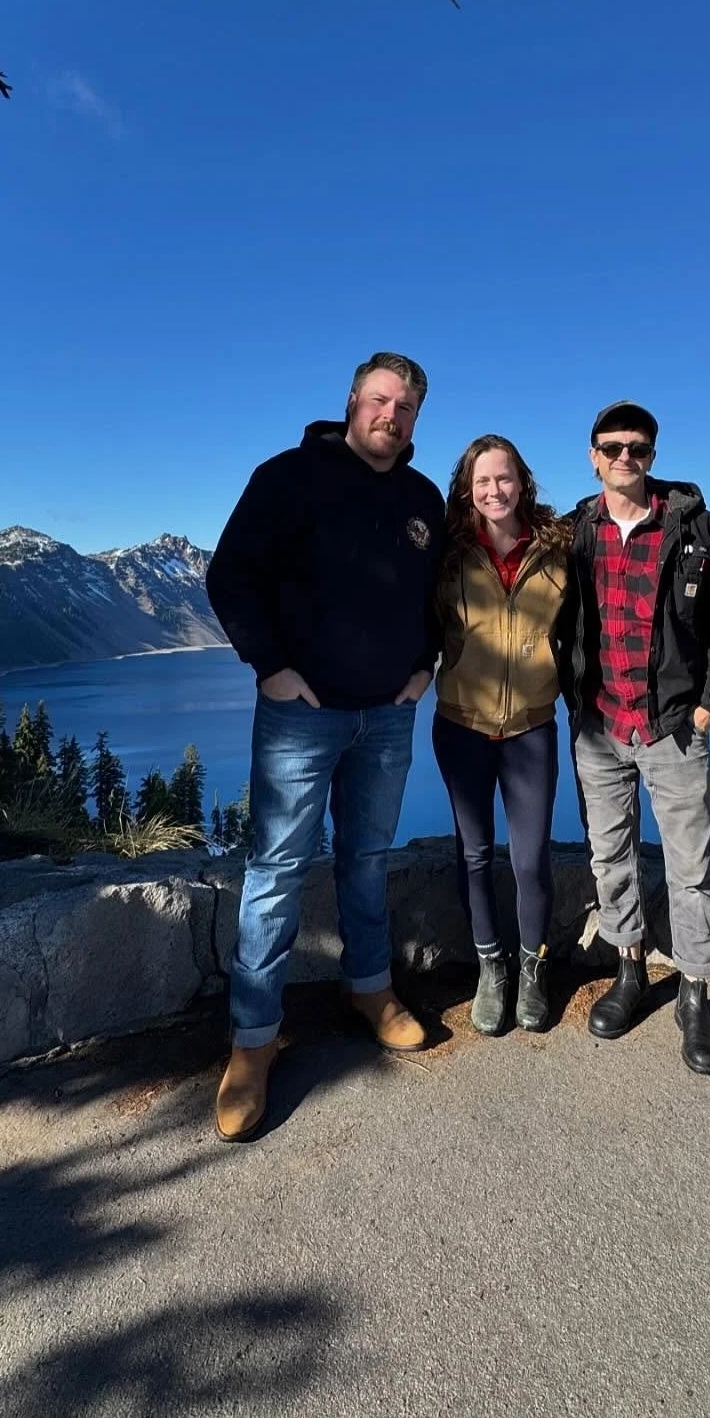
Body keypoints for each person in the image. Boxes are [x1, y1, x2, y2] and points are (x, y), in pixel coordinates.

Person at [204, 351, 445, 1142]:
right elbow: (230, 576)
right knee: (275, 870)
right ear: (352, 400)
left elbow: (437, 595)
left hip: (387, 716)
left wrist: (424, 666)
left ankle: (369, 988)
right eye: (380, 399)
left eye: (406, 407)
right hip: (301, 718)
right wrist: (270, 667)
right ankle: (253, 1040)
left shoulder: (422, 499)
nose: (391, 416)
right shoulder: (287, 477)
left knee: (366, 858)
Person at [561, 400, 710, 1075]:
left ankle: (695, 993)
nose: (625, 458)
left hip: (672, 726)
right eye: (612, 447)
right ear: (593, 456)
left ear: (652, 455)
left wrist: (709, 706)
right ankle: (630, 969)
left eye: (637, 447)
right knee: (610, 856)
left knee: (691, 866)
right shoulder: (574, 532)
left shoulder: (699, 528)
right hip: (600, 726)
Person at [432, 435, 571, 1036]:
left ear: (522, 482)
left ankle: (532, 968)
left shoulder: (557, 549)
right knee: (474, 854)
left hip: (531, 728)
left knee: (531, 858)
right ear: (468, 489)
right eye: (483, 480)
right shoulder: (448, 553)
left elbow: (581, 630)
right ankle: (491, 968)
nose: (495, 490)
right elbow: (417, 624)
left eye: (504, 478)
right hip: (462, 726)